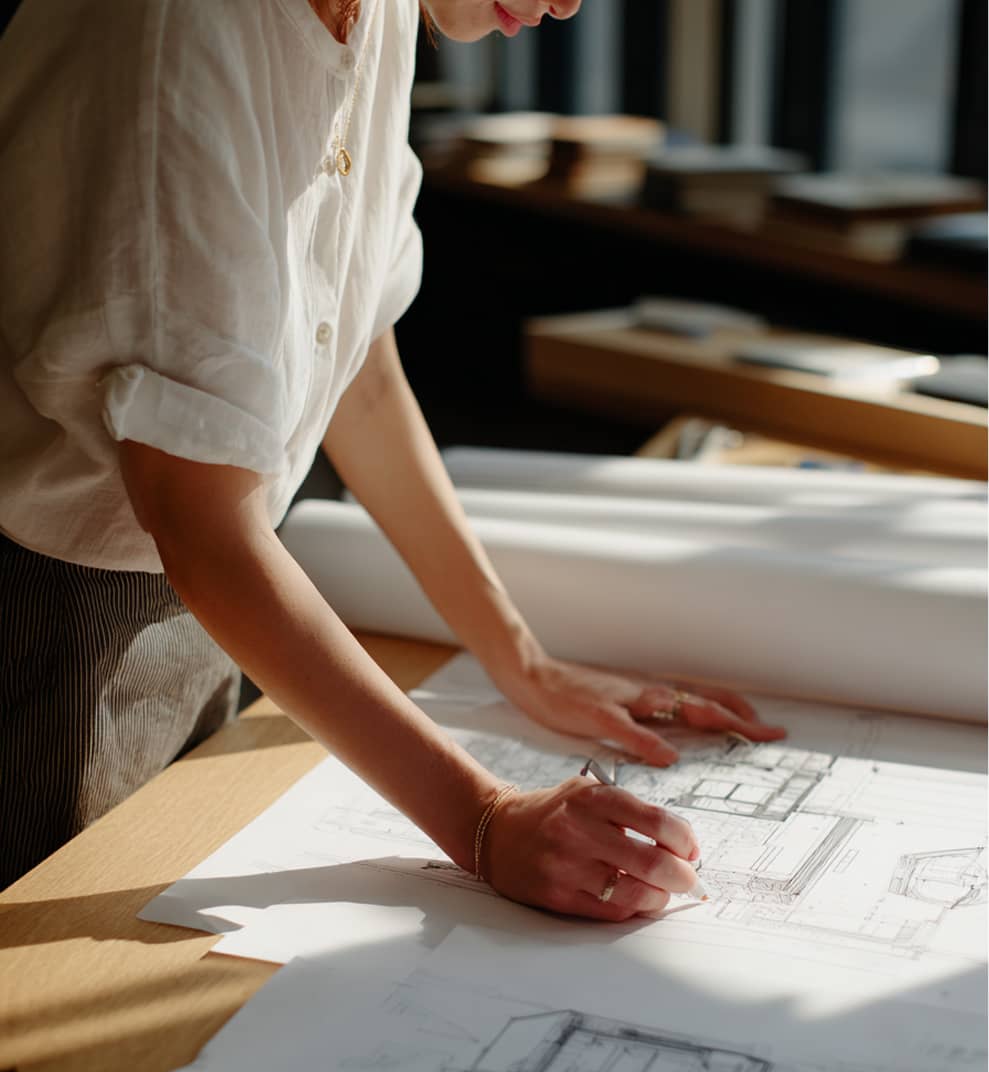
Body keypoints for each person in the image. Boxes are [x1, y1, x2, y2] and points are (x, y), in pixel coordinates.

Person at [0, 0, 785, 906]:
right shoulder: (179, 28)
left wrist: (520, 658)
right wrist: (483, 819)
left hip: (215, 611)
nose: (571, 4)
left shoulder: (378, 12)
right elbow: (196, 516)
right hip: (49, 631)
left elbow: (357, 369)